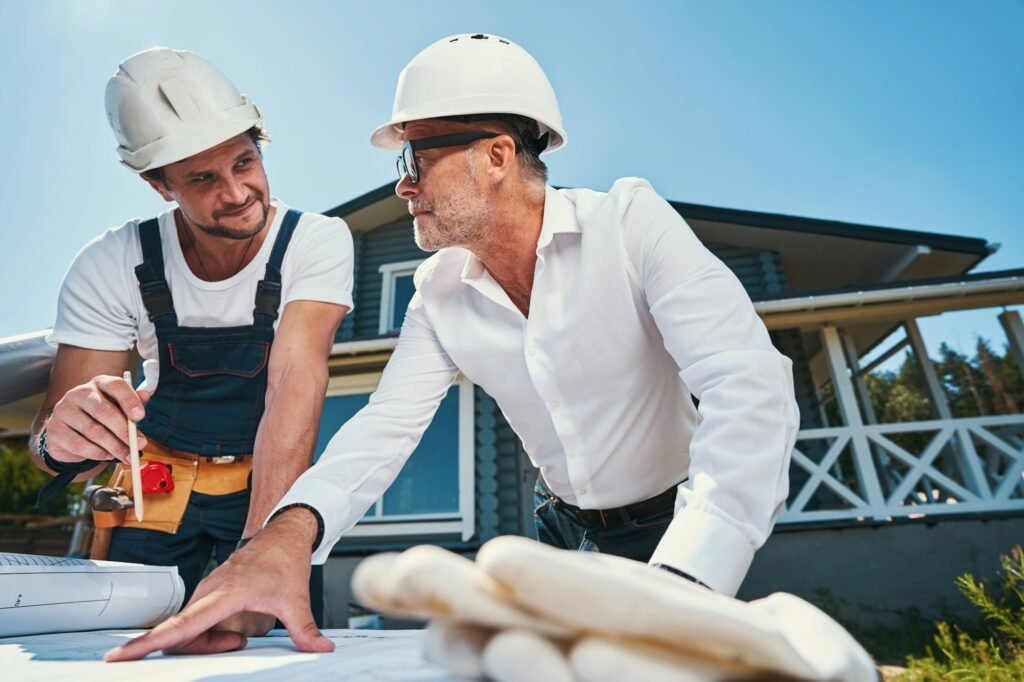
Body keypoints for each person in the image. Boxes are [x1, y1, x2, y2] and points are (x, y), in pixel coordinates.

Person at [105, 33, 798, 661]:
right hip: (557, 540)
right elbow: (382, 429)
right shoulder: (439, 290)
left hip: (677, 528)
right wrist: (280, 541)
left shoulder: (630, 224)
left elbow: (750, 391)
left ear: (496, 156)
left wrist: (682, 581)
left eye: (416, 158)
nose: (401, 185)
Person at [30, 47, 353, 633]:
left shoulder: (315, 241)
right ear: (158, 184)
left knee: (269, 639)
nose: (235, 192)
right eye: (202, 178)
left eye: (244, 162)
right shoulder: (112, 262)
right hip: (156, 479)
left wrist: (262, 548)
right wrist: (62, 439)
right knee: (118, 632)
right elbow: (57, 453)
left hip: (265, 474)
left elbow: (294, 383)